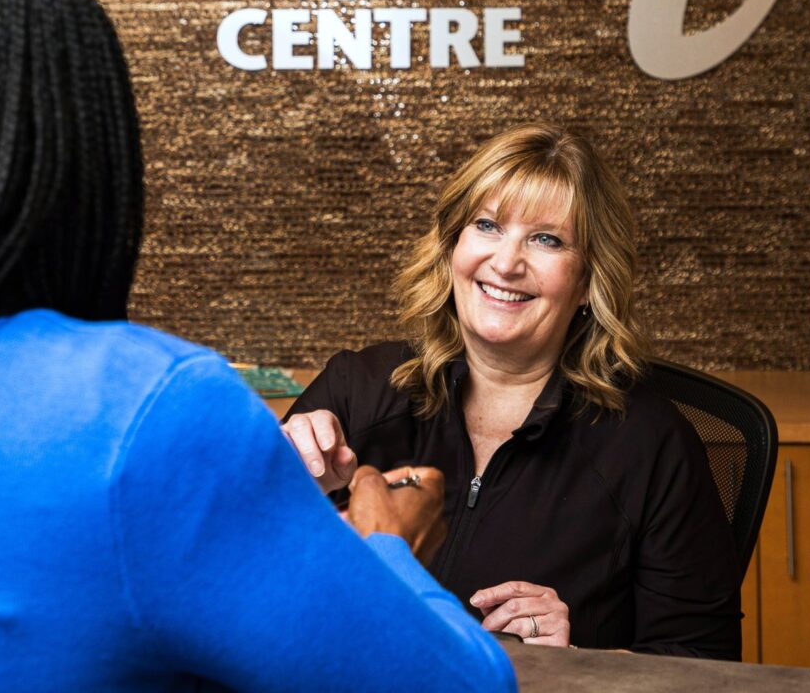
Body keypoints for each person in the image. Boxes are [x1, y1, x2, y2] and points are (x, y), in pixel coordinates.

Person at [0, 0, 517, 692]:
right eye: (488, 228)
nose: (507, 262)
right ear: (79, 160)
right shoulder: (139, 410)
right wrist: (388, 550)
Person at [284, 123, 742, 659]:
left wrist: (579, 662)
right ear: (452, 246)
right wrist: (279, 491)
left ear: (589, 280)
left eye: (547, 239)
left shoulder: (652, 444)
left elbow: (704, 664)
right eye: (487, 226)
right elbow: (229, 595)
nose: (506, 263)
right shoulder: (356, 389)